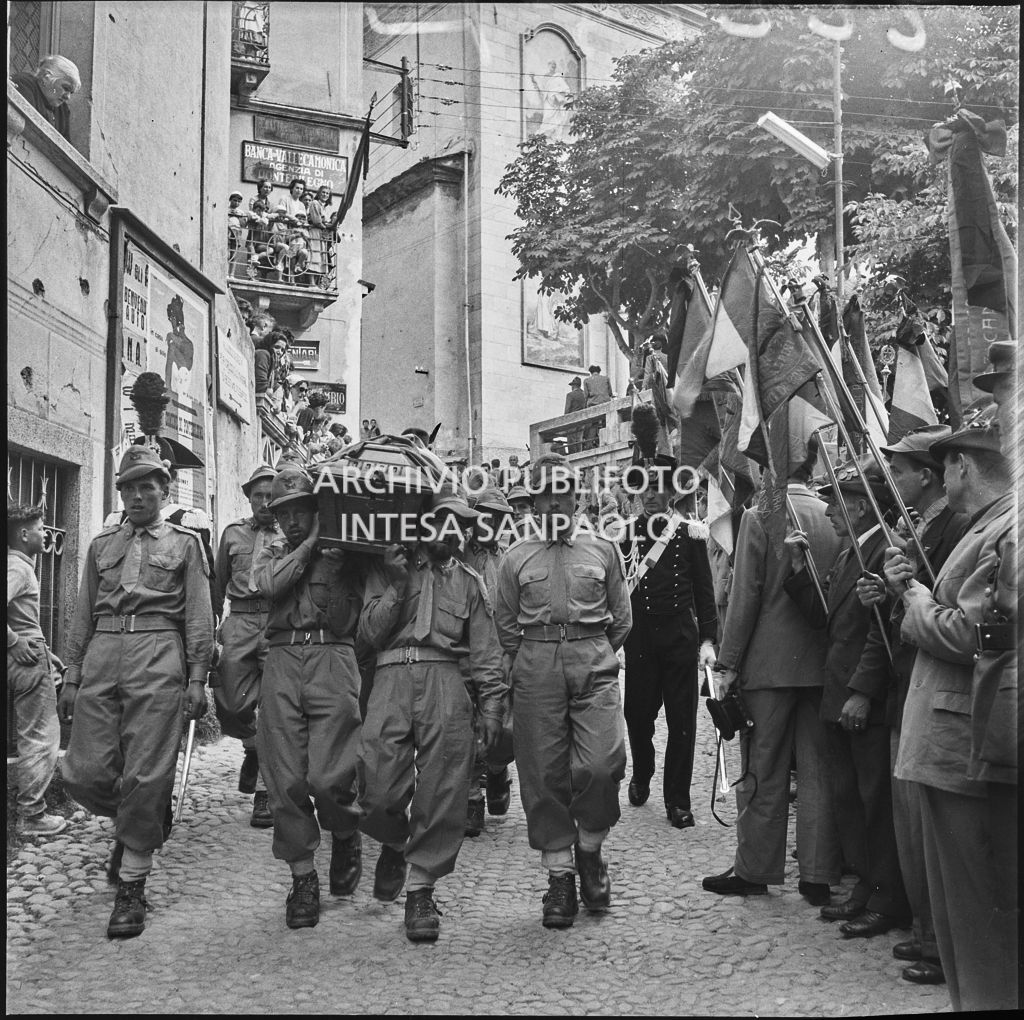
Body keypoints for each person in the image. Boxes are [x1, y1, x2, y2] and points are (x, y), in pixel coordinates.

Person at [885, 401, 1017, 1011]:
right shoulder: (993, 524)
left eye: (949, 467)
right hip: (963, 737)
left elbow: (971, 635)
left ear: (963, 465)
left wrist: (913, 602)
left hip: (964, 742)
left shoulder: (1002, 528)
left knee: (974, 917)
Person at [58, 446, 213, 938]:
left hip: (158, 651)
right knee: (83, 773)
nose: (139, 494)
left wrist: (196, 678)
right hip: (104, 650)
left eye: (149, 486)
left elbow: (197, 616)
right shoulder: (101, 545)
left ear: (165, 492)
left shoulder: (186, 544)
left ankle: (132, 884)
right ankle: (139, 818)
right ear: (120, 492)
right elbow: (82, 611)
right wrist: (73, 674)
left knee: (146, 772)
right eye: (130, 486)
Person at [358, 492, 507, 943]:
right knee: (376, 784)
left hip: (445, 679)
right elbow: (367, 635)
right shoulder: (388, 565)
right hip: (389, 676)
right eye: (441, 522)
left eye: (458, 525)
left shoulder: (468, 582)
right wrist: (398, 585)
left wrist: (493, 706)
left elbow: (485, 652)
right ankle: (393, 838)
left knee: (443, 785)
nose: (450, 532)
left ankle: (421, 888)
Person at [701, 440, 842, 904]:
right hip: (820, 666)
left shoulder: (760, 516)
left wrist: (727, 663)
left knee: (763, 771)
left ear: (768, 468)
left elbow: (744, 599)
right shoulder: (829, 511)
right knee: (818, 772)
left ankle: (756, 867)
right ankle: (818, 875)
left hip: (768, 668)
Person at [495, 454, 631, 929]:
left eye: (564, 490)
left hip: (593, 659)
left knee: (601, 763)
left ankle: (590, 850)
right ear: (532, 502)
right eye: (546, 492)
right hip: (535, 665)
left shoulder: (604, 549)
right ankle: (561, 877)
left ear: (578, 495)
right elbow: (506, 625)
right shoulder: (515, 557)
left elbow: (622, 617)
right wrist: (535, 660)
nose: (556, 499)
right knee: (543, 773)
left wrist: (588, 651)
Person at [853, 425, 967, 983]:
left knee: (929, 828)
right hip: (906, 684)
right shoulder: (924, 527)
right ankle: (927, 934)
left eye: (900, 469)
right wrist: (886, 597)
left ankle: (939, 943)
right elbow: (906, 616)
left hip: (933, 689)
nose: (891, 478)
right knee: (911, 827)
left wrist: (903, 594)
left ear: (931, 476)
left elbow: (949, 619)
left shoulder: (957, 528)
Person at [784, 456, 910, 937]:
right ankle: (865, 888)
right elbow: (828, 620)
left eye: (834, 501)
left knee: (874, 802)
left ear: (858, 507)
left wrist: (860, 692)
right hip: (840, 695)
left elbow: (881, 635)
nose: (828, 511)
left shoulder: (885, 551)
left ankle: (886, 896)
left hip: (863, 699)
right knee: (851, 800)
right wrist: (799, 569)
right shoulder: (848, 551)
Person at [251, 467, 367, 929]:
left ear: (317, 510)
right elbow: (268, 585)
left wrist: (335, 564)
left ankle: (344, 828)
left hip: (333, 659)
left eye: (302, 511)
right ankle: (303, 878)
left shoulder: (345, 554)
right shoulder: (271, 550)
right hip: (281, 660)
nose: (293, 520)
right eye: (285, 513)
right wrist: (308, 546)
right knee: (284, 779)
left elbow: (349, 618)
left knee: (330, 773)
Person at [620, 459, 717, 829]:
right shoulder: (626, 532)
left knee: (682, 721)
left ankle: (677, 800)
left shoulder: (690, 534)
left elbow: (704, 590)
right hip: (641, 638)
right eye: (642, 489)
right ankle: (642, 771)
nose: (648, 496)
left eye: (655, 490)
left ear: (671, 494)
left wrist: (708, 638)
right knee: (637, 716)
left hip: (678, 637)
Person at [211, 465, 280, 828]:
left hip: (277, 623)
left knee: (273, 709)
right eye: (258, 496)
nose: (265, 502)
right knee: (231, 703)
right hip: (238, 621)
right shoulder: (232, 534)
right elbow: (217, 584)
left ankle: (265, 795)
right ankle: (251, 748)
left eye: (271, 496)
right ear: (249, 498)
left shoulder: (291, 535)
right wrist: (209, 631)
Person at [7, 504, 66, 836]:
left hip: (30, 653)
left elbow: (21, 618)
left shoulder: (16, 566)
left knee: (31, 734)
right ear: (23, 535)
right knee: (41, 737)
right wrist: (14, 641)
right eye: (41, 528)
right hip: (24, 660)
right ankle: (31, 815)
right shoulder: (18, 568)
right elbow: (18, 629)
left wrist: (49, 653)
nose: (45, 534)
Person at [462, 487, 517, 834]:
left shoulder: (510, 559)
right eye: (485, 514)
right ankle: (471, 800)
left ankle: (497, 773)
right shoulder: (459, 556)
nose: (490, 522)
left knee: (499, 728)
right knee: (464, 730)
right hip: (464, 656)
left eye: (497, 517)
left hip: (501, 656)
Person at [11, 55, 80, 141]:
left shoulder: (62, 109)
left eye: (71, 92)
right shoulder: (23, 83)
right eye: (66, 88)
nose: (68, 97)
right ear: (46, 77)